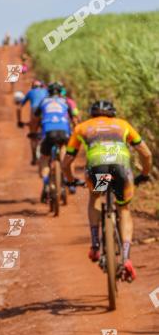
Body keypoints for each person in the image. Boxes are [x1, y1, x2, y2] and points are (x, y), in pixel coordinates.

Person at [62, 99, 152, 280]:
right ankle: (126, 256)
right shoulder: (123, 125)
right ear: (113, 113)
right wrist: (144, 174)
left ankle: (95, 245)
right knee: (123, 208)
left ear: (92, 113)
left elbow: (67, 161)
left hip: (99, 171)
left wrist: (71, 180)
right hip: (121, 170)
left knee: (95, 197)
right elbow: (146, 153)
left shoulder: (83, 127)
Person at [34, 82, 77, 202]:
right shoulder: (65, 101)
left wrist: (34, 131)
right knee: (66, 154)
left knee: (44, 158)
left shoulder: (44, 101)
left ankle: (47, 182)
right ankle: (70, 182)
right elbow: (73, 119)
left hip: (48, 133)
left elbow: (36, 117)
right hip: (63, 132)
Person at [16, 78, 48, 165]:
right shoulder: (46, 91)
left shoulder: (30, 92)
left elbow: (19, 108)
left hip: (34, 111)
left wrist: (19, 121)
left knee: (33, 135)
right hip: (45, 111)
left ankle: (34, 157)